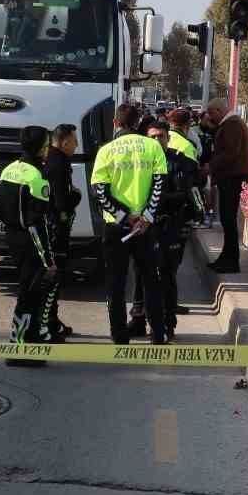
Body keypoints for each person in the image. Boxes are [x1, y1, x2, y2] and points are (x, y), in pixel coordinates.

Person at [90, 102, 170, 345]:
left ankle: (119, 336)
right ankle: (158, 333)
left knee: (116, 283)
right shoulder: (152, 147)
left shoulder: (106, 150)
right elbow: (160, 184)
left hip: (117, 228)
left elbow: (100, 192)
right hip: (145, 228)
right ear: (138, 123)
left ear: (116, 123)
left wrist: (125, 217)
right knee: (151, 281)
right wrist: (146, 216)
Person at [129, 116, 198, 341]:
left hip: (169, 227)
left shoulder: (180, 162)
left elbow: (184, 195)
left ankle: (167, 323)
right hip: (142, 228)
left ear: (168, 139)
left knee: (166, 276)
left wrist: (155, 202)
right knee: (141, 274)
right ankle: (139, 319)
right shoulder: (137, 163)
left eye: (161, 137)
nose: (157, 141)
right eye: (152, 137)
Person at [0, 125, 56, 366]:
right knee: (29, 296)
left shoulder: (9, 169)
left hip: (13, 238)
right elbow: (37, 224)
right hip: (31, 243)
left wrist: (12, 227)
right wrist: (48, 260)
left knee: (30, 292)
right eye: (47, 144)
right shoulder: (37, 178)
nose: (49, 148)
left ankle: (30, 345)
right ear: (41, 147)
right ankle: (18, 349)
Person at [203, 98, 248, 274]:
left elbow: (230, 152)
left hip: (232, 178)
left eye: (211, 113)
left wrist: (211, 166)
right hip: (229, 177)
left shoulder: (232, 124)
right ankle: (226, 257)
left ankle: (231, 261)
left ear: (218, 110)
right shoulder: (230, 123)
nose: (209, 116)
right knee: (226, 219)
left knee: (228, 220)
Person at [42, 124, 80, 338]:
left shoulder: (52, 159)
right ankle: (49, 323)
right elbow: (61, 202)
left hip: (51, 227)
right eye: (74, 140)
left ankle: (51, 320)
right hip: (56, 230)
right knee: (53, 280)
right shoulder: (58, 164)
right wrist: (77, 196)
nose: (77, 145)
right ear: (64, 141)